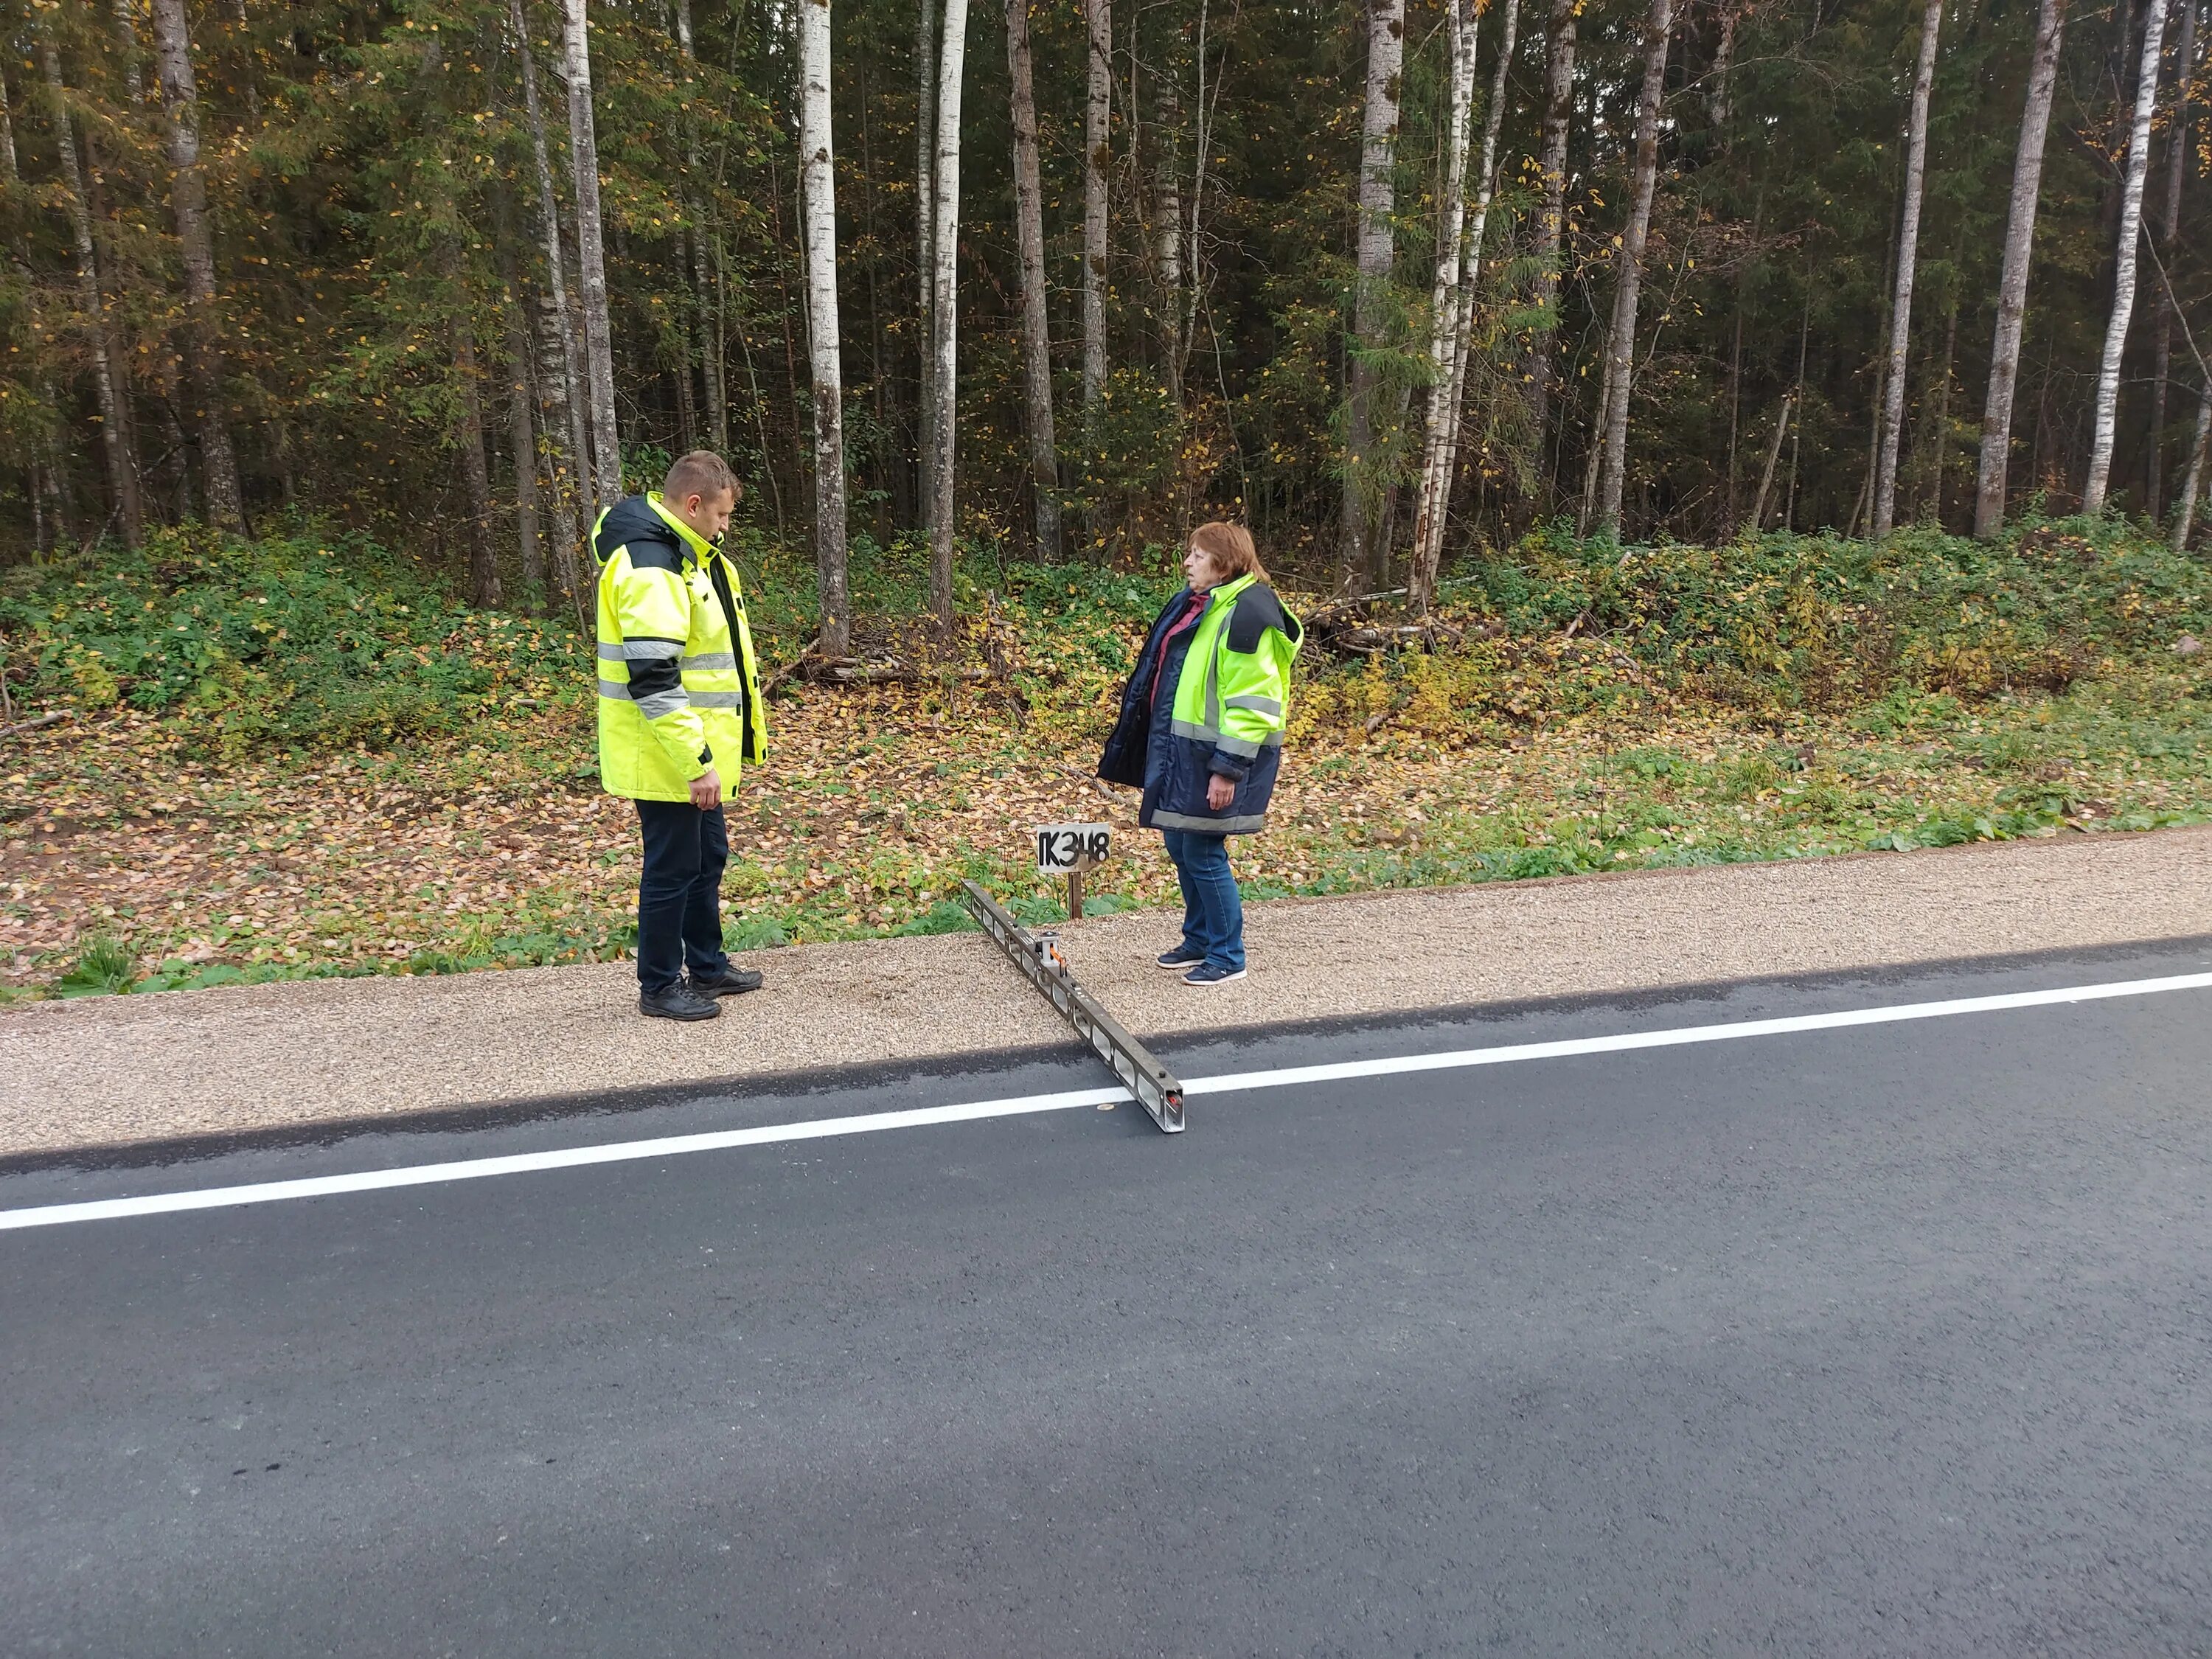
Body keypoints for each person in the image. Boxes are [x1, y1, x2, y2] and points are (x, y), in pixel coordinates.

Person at [594, 451, 768, 1020]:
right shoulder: (653, 567)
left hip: (688, 751)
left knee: (707, 855)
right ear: (693, 505)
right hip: (667, 755)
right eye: (721, 515)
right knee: (671, 869)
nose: (725, 527)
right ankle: (660, 985)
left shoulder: (686, 555)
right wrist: (696, 762)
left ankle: (708, 968)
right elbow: (653, 679)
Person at [1097, 521, 1301, 986]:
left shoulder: (1248, 614)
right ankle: (1201, 939)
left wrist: (1227, 769)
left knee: (1203, 850)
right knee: (1178, 840)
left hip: (1217, 758)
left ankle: (1229, 956)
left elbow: (1254, 704)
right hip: (1184, 753)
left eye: (1197, 555)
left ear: (1224, 562)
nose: (1187, 563)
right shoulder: (1204, 606)